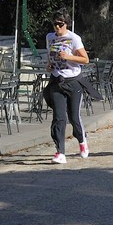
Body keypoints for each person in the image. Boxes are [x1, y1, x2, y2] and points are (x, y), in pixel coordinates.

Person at [42, 14, 90, 164]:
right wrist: (49, 65)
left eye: (60, 24)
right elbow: (49, 56)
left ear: (66, 24)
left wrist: (69, 57)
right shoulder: (50, 37)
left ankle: (82, 141)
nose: (57, 27)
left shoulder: (74, 38)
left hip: (73, 82)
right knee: (59, 117)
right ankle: (60, 152)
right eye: (55, 24)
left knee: (74, 117)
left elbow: (85, 59)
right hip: (57, 81)